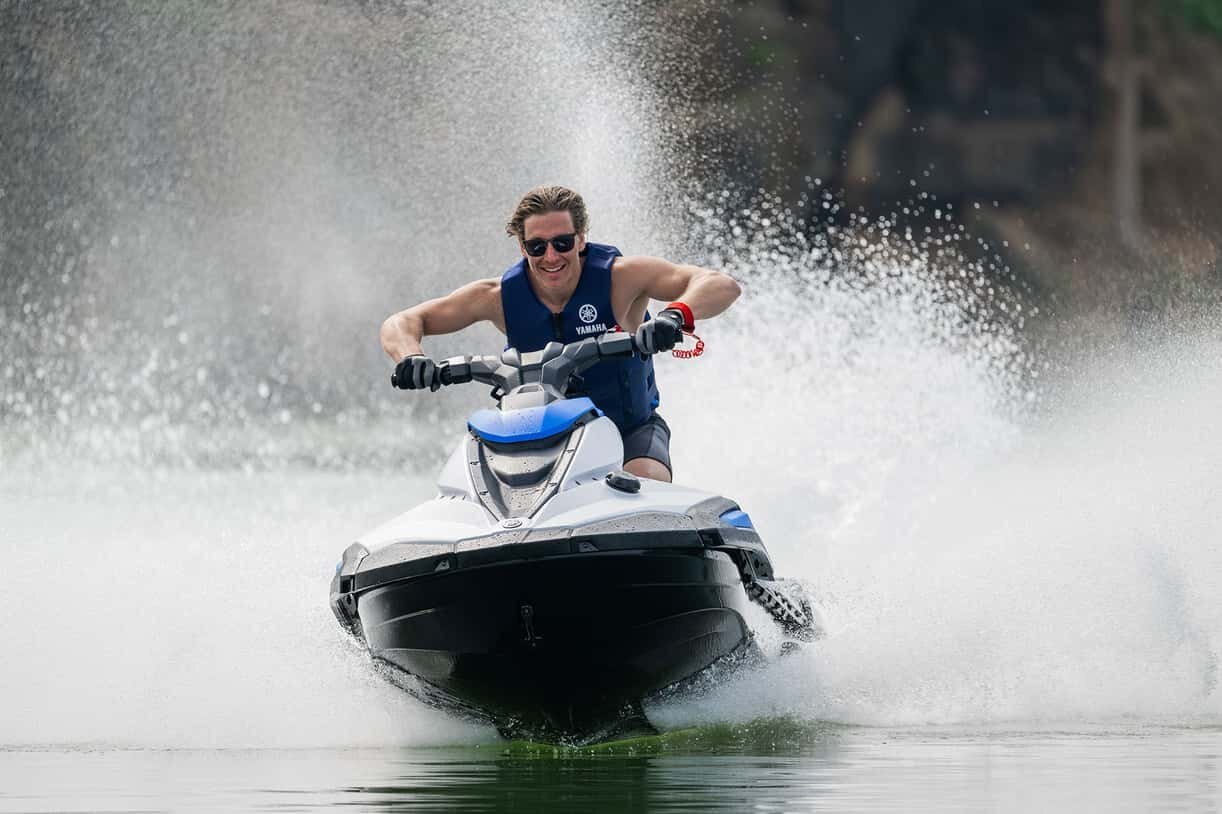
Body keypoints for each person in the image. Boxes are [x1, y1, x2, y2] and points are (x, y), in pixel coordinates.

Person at [380, 185, 741, 482]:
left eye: (562, 243)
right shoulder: (498, 297)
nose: (551, 257)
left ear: (581, 239)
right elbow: (403, 321)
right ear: (522, 248)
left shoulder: (624, 278)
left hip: (630, 433)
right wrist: (410, 357)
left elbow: (720, 284)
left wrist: (674, 317)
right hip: (539, 445)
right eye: (537, 247)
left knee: (646, 479)